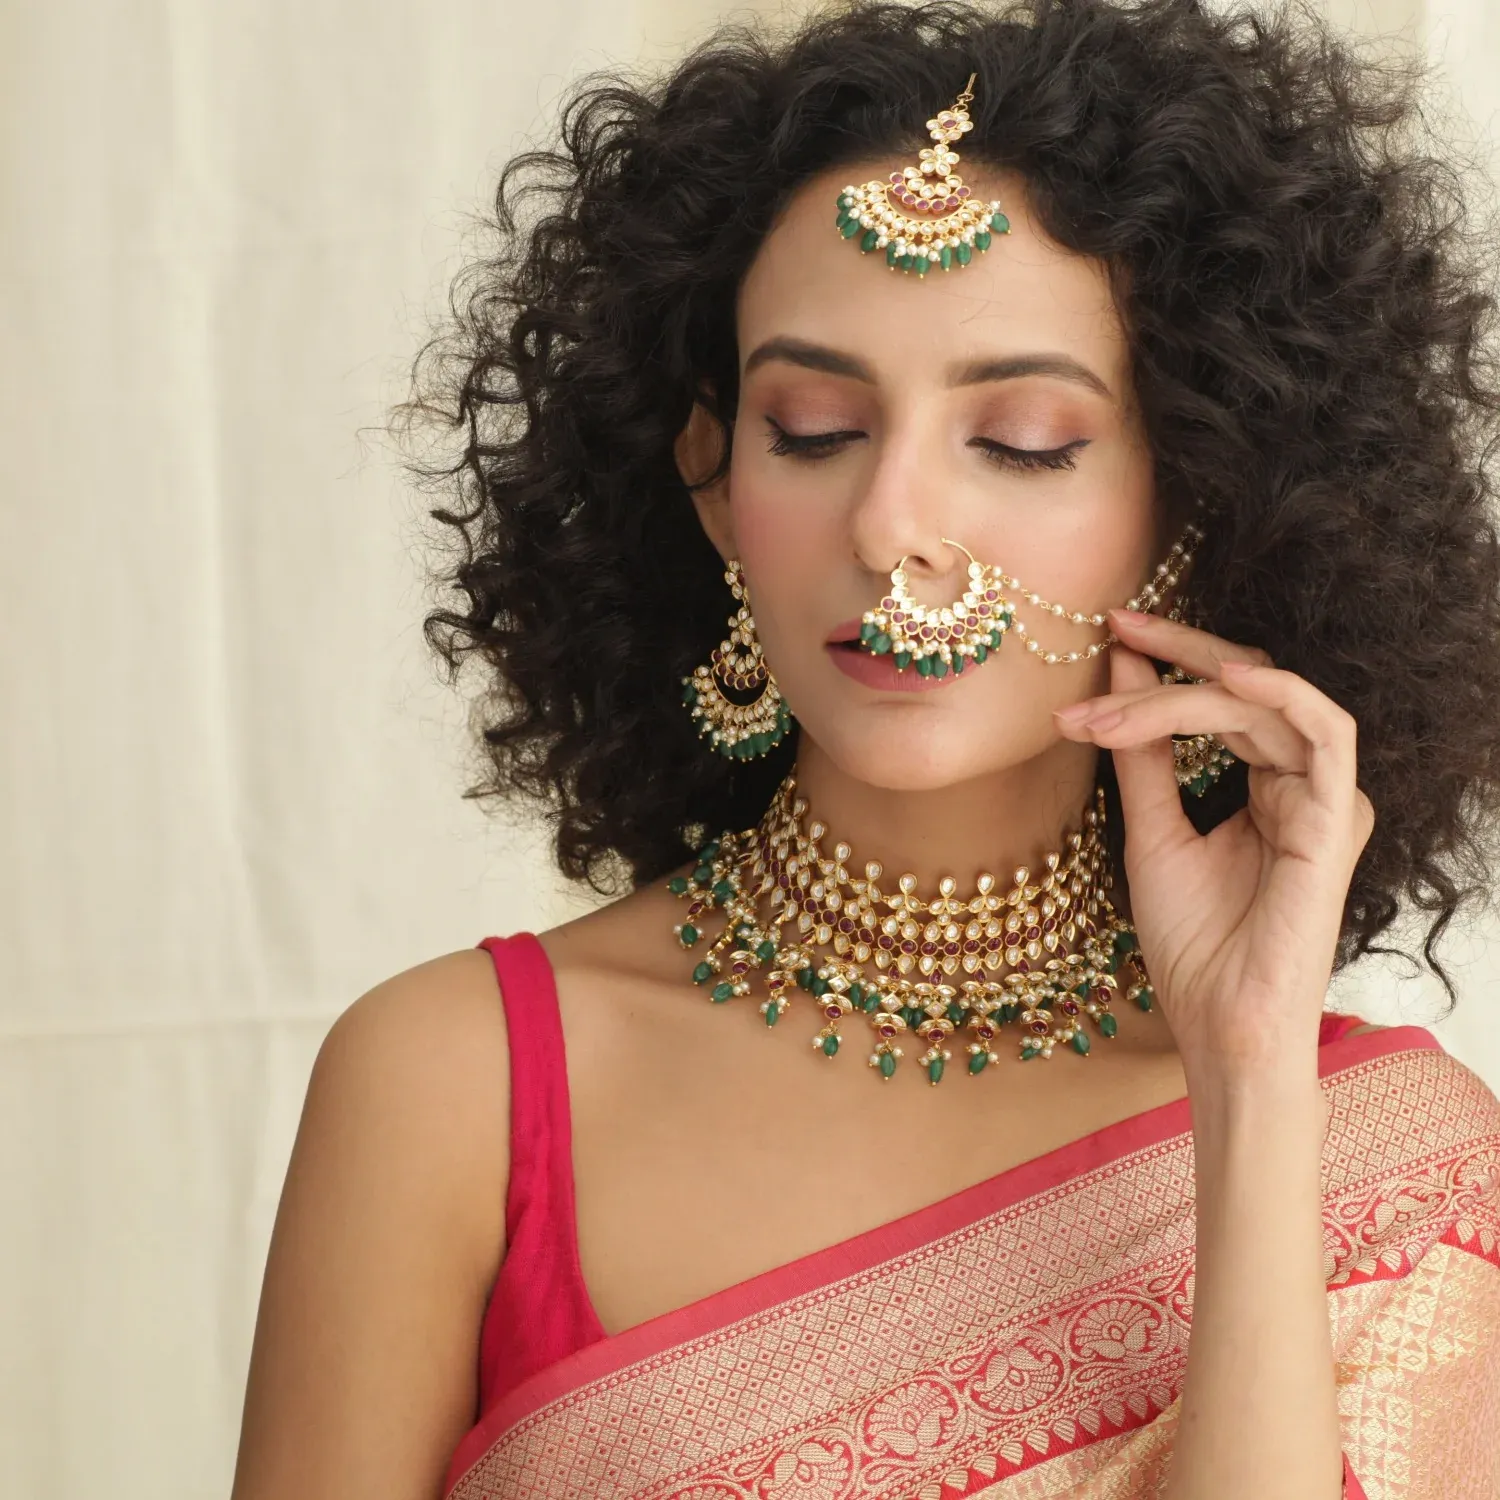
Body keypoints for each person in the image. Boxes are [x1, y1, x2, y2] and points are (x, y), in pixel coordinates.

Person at [229, 2, 1500, 1496]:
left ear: (1202, 501)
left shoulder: (1390, 1155)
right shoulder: (452, 1085)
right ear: (714, 485)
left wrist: (1249, 1081)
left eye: (1022, 441)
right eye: (815, 428)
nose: (892, 526)